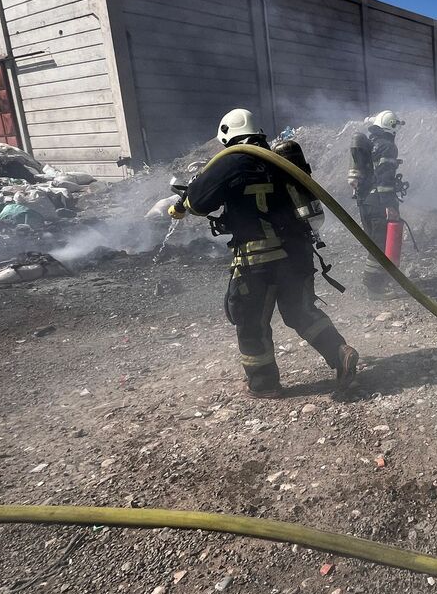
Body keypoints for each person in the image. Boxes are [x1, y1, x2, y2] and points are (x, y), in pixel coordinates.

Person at [172, 109, 359, 398]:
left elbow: (197, 203)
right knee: (301, 312)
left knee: (250, 321)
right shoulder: (279, 159)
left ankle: (263, 384)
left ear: (226, 135)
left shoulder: (229, 161)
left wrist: (186, 200)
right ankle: (340, 352)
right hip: (297, 256)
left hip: (256, 260)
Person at [348, 109, 406, 295]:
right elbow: (384, 179)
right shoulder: (387, 146)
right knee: (380, 243)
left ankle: (379, 282)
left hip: (365, 201)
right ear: (391, 127)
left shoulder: (371, 143)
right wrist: (389, 205)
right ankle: (374, 287)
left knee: (375, 241)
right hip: (378, 202)